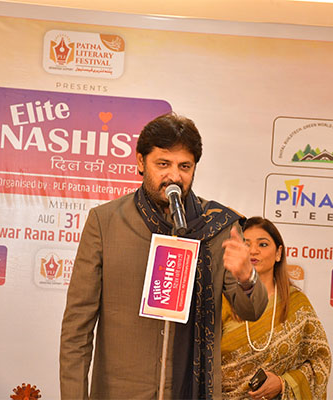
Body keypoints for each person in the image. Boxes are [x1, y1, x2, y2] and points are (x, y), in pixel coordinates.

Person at [59, 112, 268, 399]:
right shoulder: (105, 222)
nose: (174, 176)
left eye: (185, 166)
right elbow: (77, 330)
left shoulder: (218, 227)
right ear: (140, 162)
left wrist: (247, 277)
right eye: (163, 164)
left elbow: (251, 311)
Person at [221, 217, 332, 400]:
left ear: (278, 253)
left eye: (263, 244)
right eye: (246, 244)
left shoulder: (296, 304)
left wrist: (283, 384)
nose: (253, 251)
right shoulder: (222, 302)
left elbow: (320, 361)